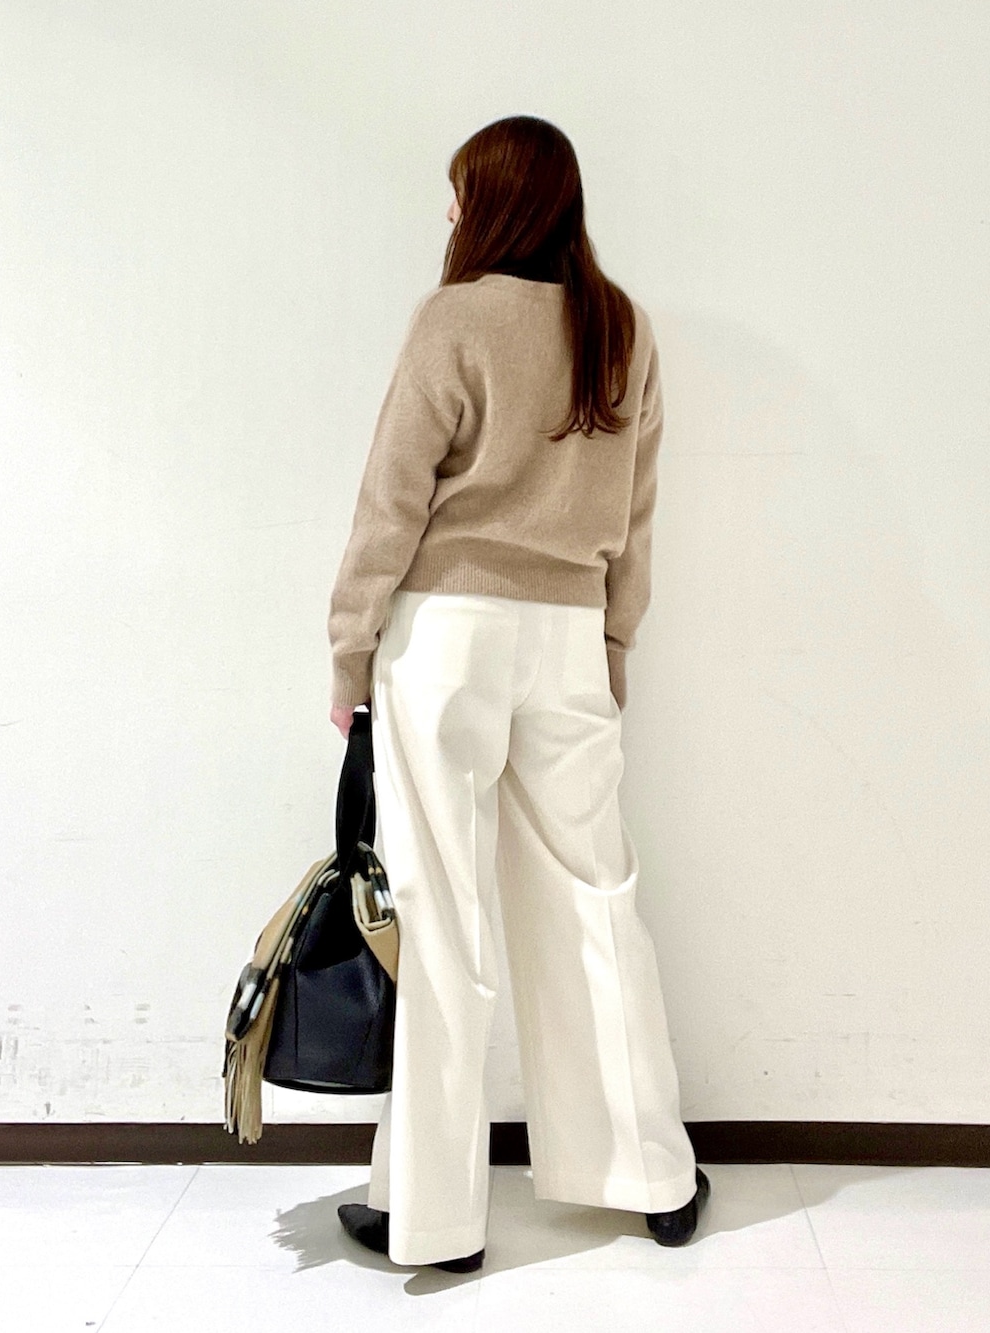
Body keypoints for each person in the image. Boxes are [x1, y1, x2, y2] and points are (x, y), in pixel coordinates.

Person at [327, 114, 709, 1274]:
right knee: (596, 902)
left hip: (445, 635)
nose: (449, 211)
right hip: (568, 640)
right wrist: (612, 645)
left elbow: (392, 498)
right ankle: (650, 1177)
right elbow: (635, 516)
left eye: (459, 191)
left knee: (438, 917)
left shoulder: (454, 319)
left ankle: (431, 1220)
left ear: (495, 201)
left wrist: (350, 649)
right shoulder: (619, 325)